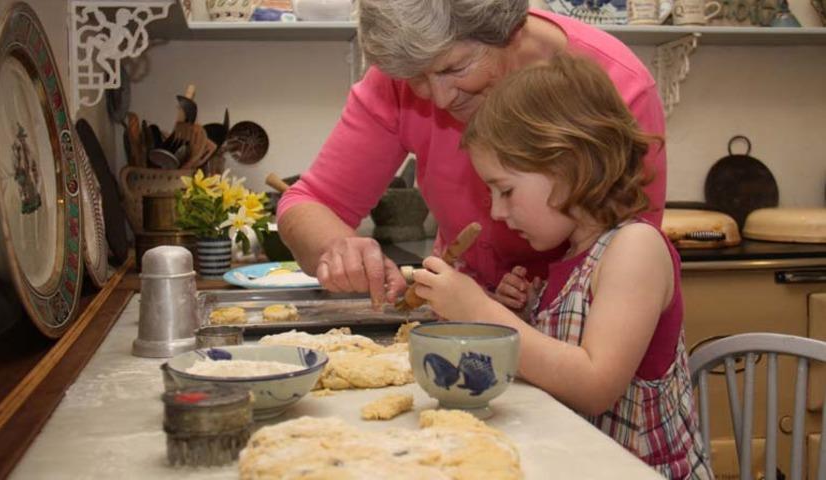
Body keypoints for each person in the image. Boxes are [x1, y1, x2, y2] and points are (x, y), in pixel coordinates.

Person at [411, 54, 712, 479]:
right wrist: (519, 313)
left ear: (568, 164)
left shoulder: (635, 249)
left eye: (506, 190)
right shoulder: (569, 259)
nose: (496, 212)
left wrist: (480, 310)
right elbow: (555, 363)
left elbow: (594, 387)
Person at [277, 0, 667, 306]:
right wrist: (337, 248)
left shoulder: (619, 88)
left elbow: (629, 272)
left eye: (454, 67)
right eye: (417, 79)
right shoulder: (401, 75)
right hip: (464, 326)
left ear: (510, 31)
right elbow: (308, 202)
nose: (440, 97)